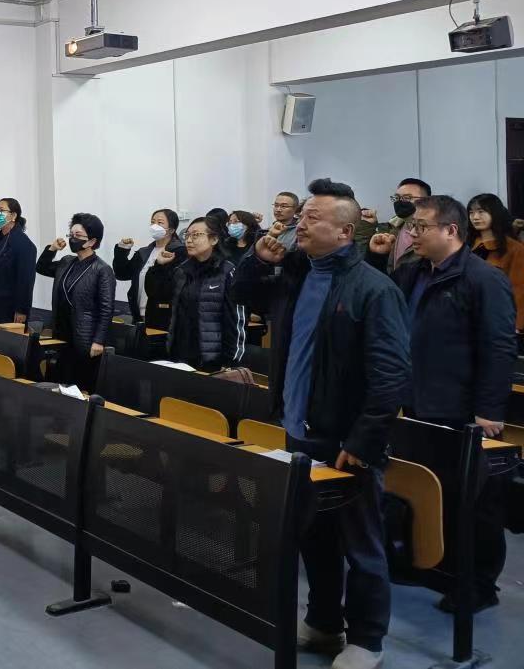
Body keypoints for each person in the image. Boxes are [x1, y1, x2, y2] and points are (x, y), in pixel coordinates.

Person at [233, 178, 409, 669]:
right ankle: (325, 622)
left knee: (361, 542)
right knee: (314, 535)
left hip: (347, 439)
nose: (300, 225)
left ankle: (368, 639)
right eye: (301, 216)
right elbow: (241, 294)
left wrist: (364, 439)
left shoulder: (373, 289)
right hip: (300, 429)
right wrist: (257, 260)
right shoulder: (296, 273)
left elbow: (391, 375)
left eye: (312, 218)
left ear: (345, 232)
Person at [377, 195, 517, 612]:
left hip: (460, 406)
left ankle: (479, 585)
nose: (412, 234)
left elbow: (499, 347)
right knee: (425, 490)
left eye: (421, 227)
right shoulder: (413, 271)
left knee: (472, 499)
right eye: (411, 227)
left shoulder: (483, 278)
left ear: (451, 230)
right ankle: (430, 565)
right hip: (416, 400)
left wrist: (489, 409)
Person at [144, 214, 244, 371]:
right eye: (187, 235)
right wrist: (159, 267)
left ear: (214, 239)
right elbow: (156, 293)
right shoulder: (182, 270)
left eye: (196, 235)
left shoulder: (227, 272)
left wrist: (231, 362)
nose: (189, 240)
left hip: (212, 359)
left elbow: (235, 322)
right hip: (180, 353)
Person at [37, 213, 115, 390]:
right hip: (62, 332)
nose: (73, 239)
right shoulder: (67, 262)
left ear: (92, 241)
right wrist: (52, 249)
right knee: (61, 380)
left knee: (82, 384)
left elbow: (106, 309)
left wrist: (99, 340)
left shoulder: (102, 269)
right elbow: (41, 267)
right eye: (71, 234)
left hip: (85, 336)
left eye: (78, 235)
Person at [467, 192, 524, 345]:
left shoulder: (515, 249)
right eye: (471, 212)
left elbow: (519, 289)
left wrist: (517, 325)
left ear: (495, 213)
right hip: (466, 317)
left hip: (498, 319)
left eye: (481, 212)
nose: (475, 217)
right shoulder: (466, 246)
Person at [113, 209, 184, 330]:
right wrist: (122, 250)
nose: (154, 226)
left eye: (160, 222)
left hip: (165, 317)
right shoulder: (144, 252)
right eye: (152, 222)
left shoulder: (179, 252)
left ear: (171, 230)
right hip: (139, 315)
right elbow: (122, 274)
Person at [361, 178, 431, 274]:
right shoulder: (389, 229)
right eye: (397, 198)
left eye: (407, 198)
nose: (400, 202)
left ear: (426, 201)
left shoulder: (433, 234)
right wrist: (368, 226)